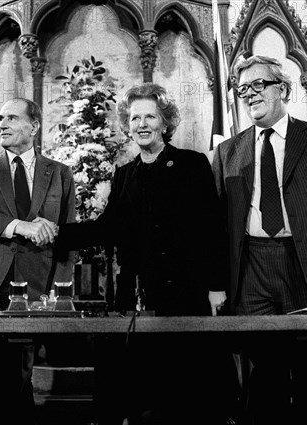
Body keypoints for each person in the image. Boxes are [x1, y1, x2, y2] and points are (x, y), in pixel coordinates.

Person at [56, 83, 238, 425]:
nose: (142, 124)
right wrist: (53, 233)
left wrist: (217, 286)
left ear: (165, 123)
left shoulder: (191, 164)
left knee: (189, 397)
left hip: (187, 294)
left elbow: (213, 228)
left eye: (150, 116)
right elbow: (106, 228)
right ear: (127, 124)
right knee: (141, 395)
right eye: (135, 117)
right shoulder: (126, 174)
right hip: (140, 297)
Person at [212, 55, 307, 425]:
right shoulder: (227, 151)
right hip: (252, 272)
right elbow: (218, 221)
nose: (250, 95)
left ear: (283, 89)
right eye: (243, 89)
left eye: (258, 85)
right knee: (265, 384)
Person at [0, 98, 76, 425]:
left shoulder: (60, 174)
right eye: (0, 117)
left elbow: (69, 237)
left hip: (33, 291)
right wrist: (21, 226)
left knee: (20, 384)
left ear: (33, 126)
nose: (2, 124)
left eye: (11, 118)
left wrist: (60, 293)